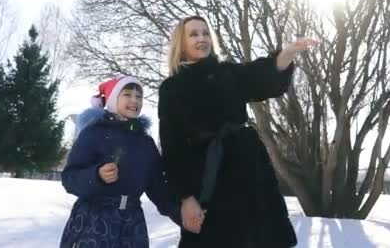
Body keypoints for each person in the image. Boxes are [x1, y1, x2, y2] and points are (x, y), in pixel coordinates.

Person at [158, 15, 318, 247]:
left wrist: (288, 53)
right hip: (206, 180)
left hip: (249, 172)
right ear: (180, 43)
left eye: (205, 33)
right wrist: (186, 197)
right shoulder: (172, 88)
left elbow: (261, 76)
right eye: (193, 34)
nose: (201, 38)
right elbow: (173, 148)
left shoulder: (228, 73)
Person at [60, 76, 181, 248]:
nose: (134, 100)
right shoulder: (93, 133)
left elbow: (158, 188)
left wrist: (181, 215)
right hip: (94, 221)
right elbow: (70, 179)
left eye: (138, 96)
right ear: (112, 99)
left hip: (132, 224)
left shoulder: (145, 142)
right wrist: (97, 176)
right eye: (127, 94)